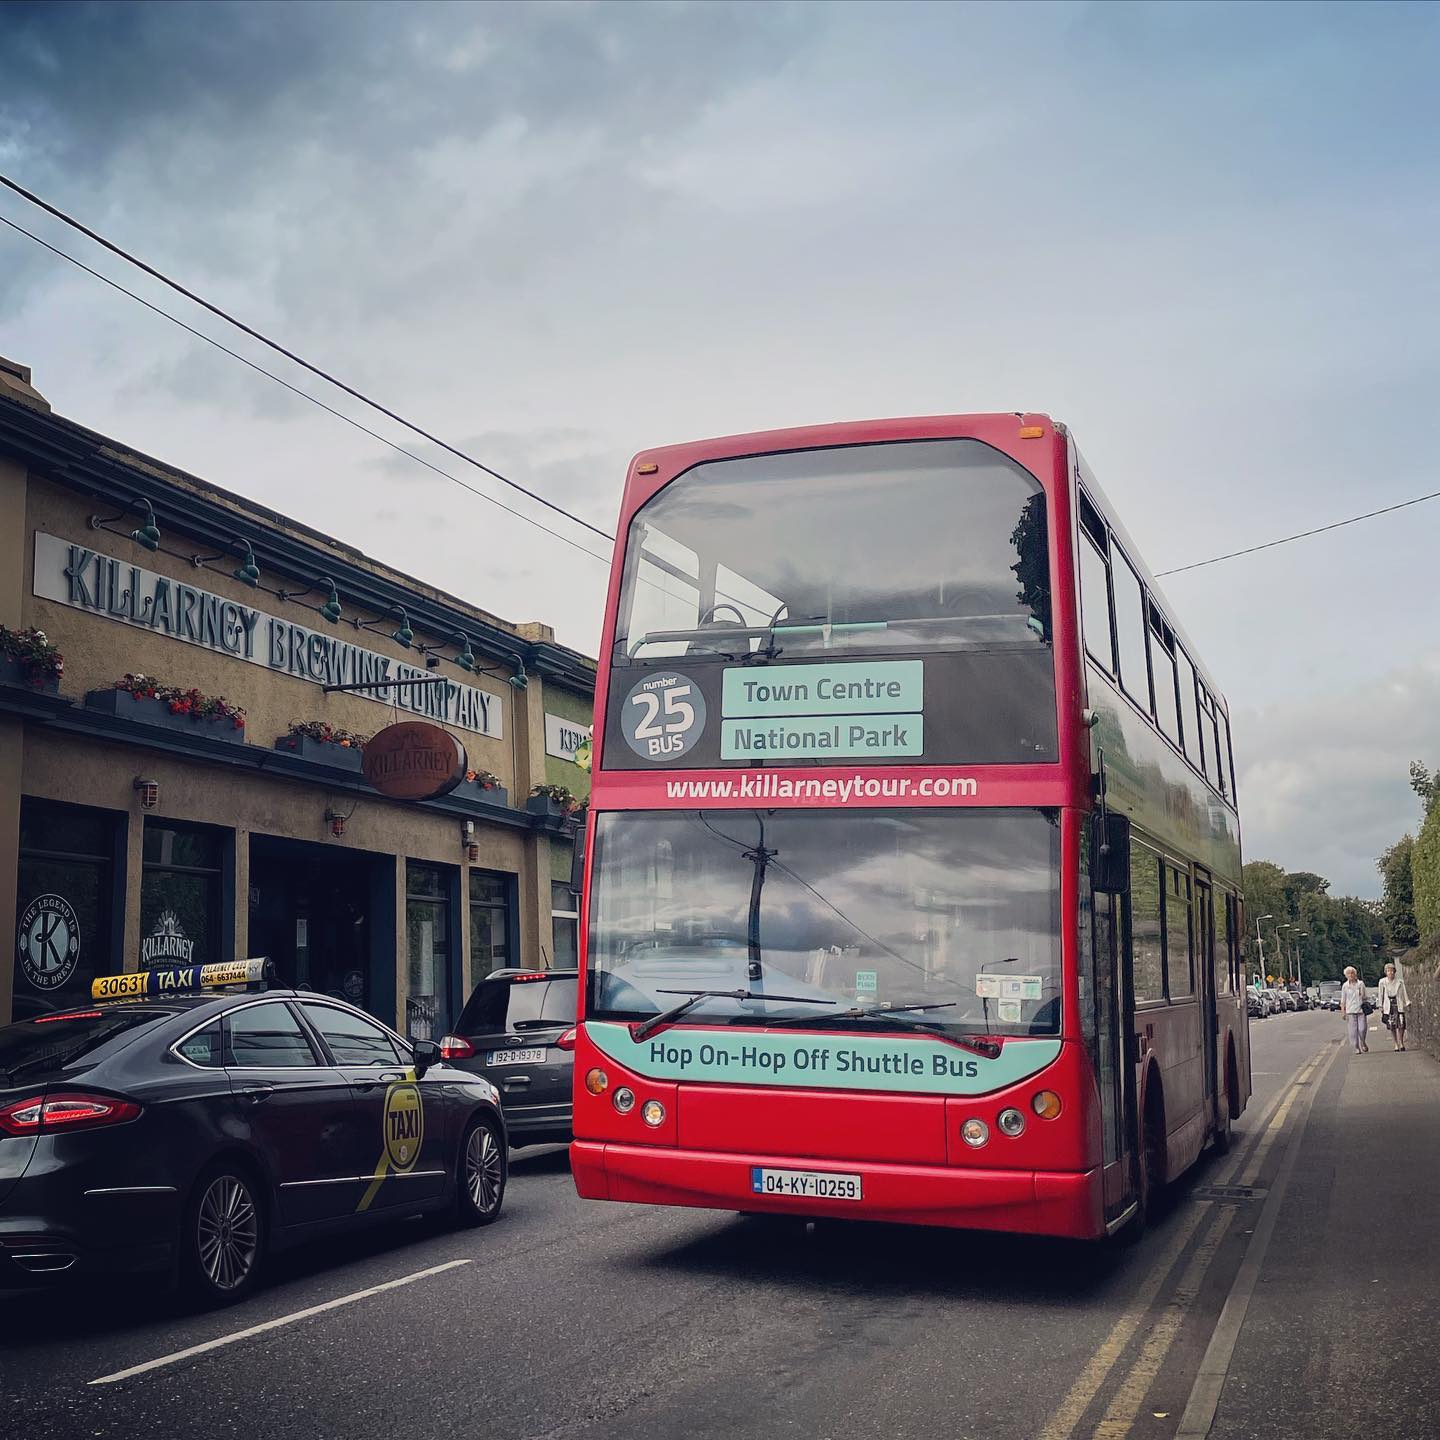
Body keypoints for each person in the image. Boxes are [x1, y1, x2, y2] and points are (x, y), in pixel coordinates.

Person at [1378, 962, 1410, 1052]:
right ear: (1386, 972)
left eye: (1392, 971)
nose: (1390, 973)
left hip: (1398, 1003)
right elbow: (1381, 994)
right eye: (1388, 971)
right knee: (1392, 1026)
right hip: (1389, 1005)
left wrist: (1407, 1002)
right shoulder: (1382, 982)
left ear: (1394, 972)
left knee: (1401, 1024)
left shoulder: (1400, 982)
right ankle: (1396, 1043)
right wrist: (1380, 1005)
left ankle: (1401, 1042)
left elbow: (1404, 992)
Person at [1339, 966, 1369, 1054]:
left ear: (1355, 974)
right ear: (1346, 975)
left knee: (1362, 1029)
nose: (1351, 975)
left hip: (1361, 1010)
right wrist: (1343, 1012)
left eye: (1352, 973)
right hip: (1350, 1011)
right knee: (1353, 1032)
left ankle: (1363, 1042)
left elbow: (1366, 997)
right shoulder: (1345, 986)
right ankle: (1356, 1047)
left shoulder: (1360, 984)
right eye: (1349, 973)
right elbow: (1343, 1000)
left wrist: (1362, 994)